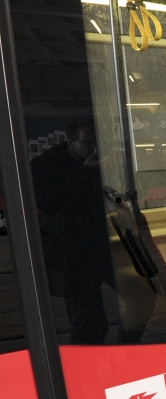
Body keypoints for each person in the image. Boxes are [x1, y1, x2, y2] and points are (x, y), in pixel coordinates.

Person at [33, 118, 113, 344]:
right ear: (70, 142)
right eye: (87, 143)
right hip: (73, 252)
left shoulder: (98, 159)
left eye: (97, 142)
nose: (94, 148)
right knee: (90, 323)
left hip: (102, 243)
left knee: (141, 297)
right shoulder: (45, 165)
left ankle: (128, 348)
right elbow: (49, 203)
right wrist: (85, 171)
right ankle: (86, 370)